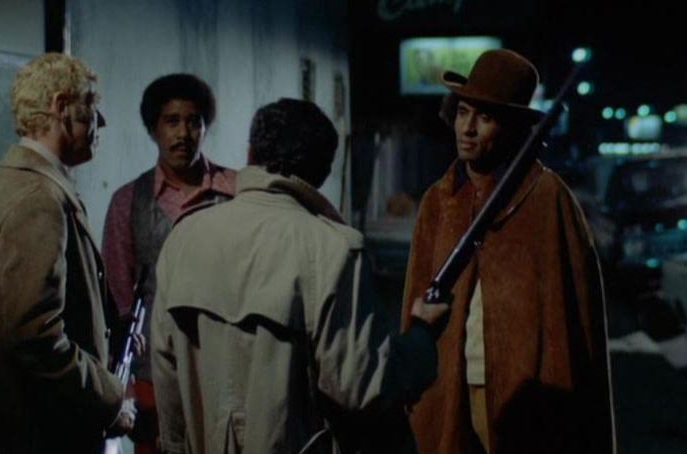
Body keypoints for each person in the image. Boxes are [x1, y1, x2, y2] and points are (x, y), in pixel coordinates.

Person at [150, 98, 450, 454]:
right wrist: (422, 336)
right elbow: (363, 386)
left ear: (250, 154)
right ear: (322, 172)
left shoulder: (184, 237)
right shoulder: (333, 249)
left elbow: (165, 371)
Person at [401, 49, 615, 453]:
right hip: (447, 386)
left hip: (524, 399)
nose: (468, 128)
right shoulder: (440, 199)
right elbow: (416, 300)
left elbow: (576, 322)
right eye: (463, 112)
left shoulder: (546, 197)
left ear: (513, 127)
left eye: (484, 117)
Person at [0, 53, 135, 454]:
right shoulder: (38, 199)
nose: (102, 121)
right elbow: (35, 337)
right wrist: (109, 399)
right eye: (92, 106)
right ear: (60, 107)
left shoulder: (3, 184)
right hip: (38, 437)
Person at [102, 74, 236, 453]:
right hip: (154, 377)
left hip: (226, 368)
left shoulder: (234, 191)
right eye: (171, 121)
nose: (183, 133)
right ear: (153, 128)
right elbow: (117, 299)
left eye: (193, 121)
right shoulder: (129, 201)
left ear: (205, 128)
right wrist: (125, 387)